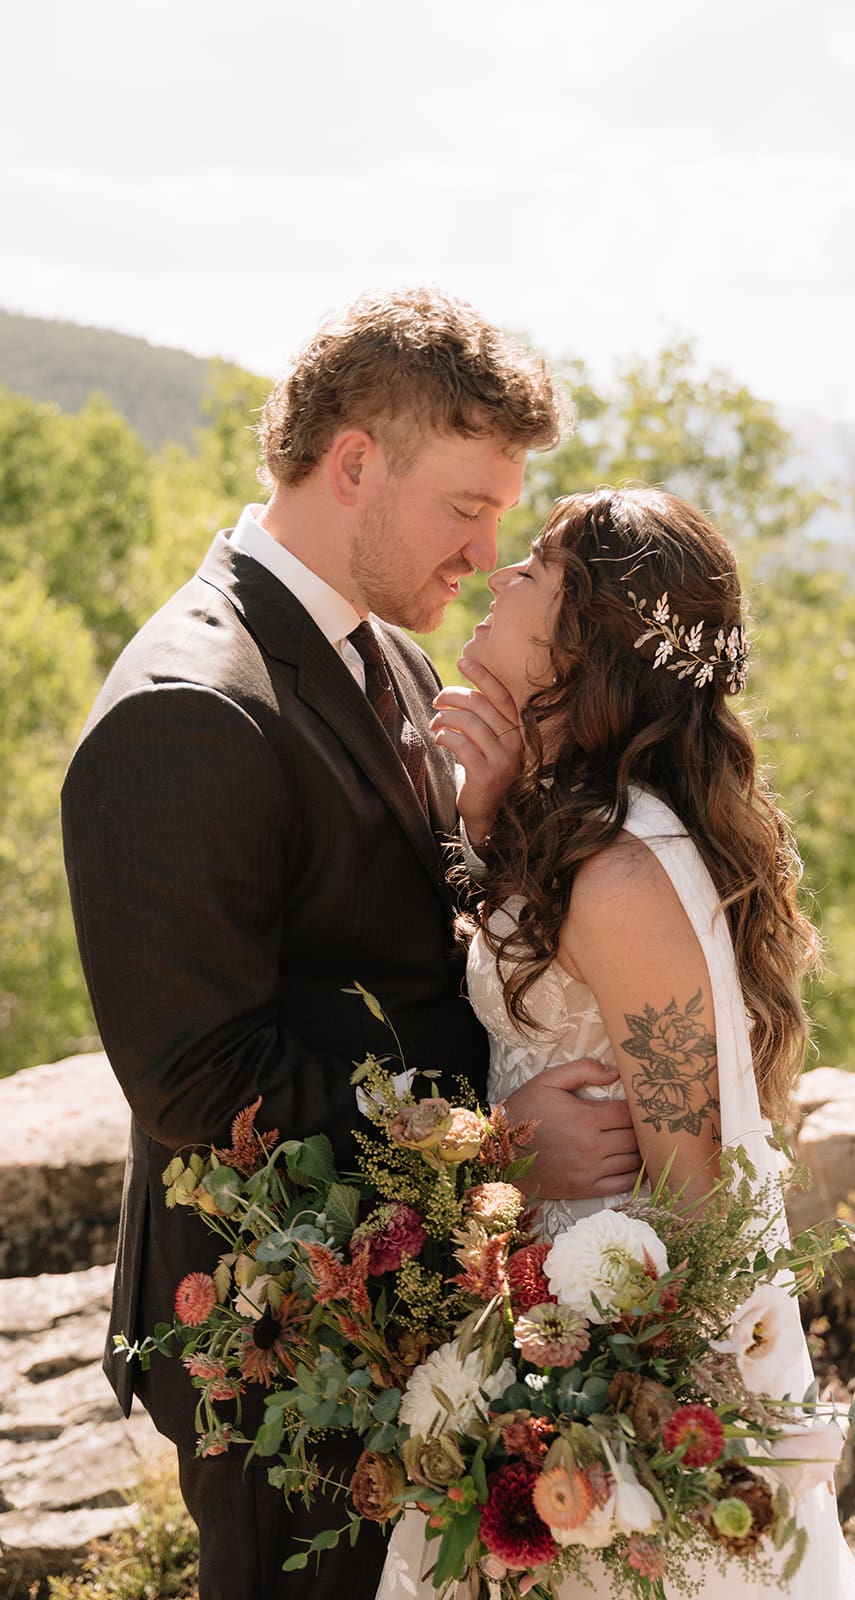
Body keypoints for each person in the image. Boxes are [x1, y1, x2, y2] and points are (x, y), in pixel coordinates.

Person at [60, 291, 642, 1600]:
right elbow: (202, 1079)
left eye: (504, 516)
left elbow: (405, 949)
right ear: (355, 463)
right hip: (280, 1345)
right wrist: (493, 1143)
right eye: (465, 508)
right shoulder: (188, 711)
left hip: (415, 1316)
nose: (490, 553)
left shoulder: (390, 653)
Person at [383, 487, 855, 1597]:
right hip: (540, 1303)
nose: (502, 574)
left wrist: (620, 1447)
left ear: (584, 643)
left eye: (538, 570)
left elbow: (697, 1196)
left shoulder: (620, 876)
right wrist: (484, 819)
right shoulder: (568, 823)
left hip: (602, 1374)